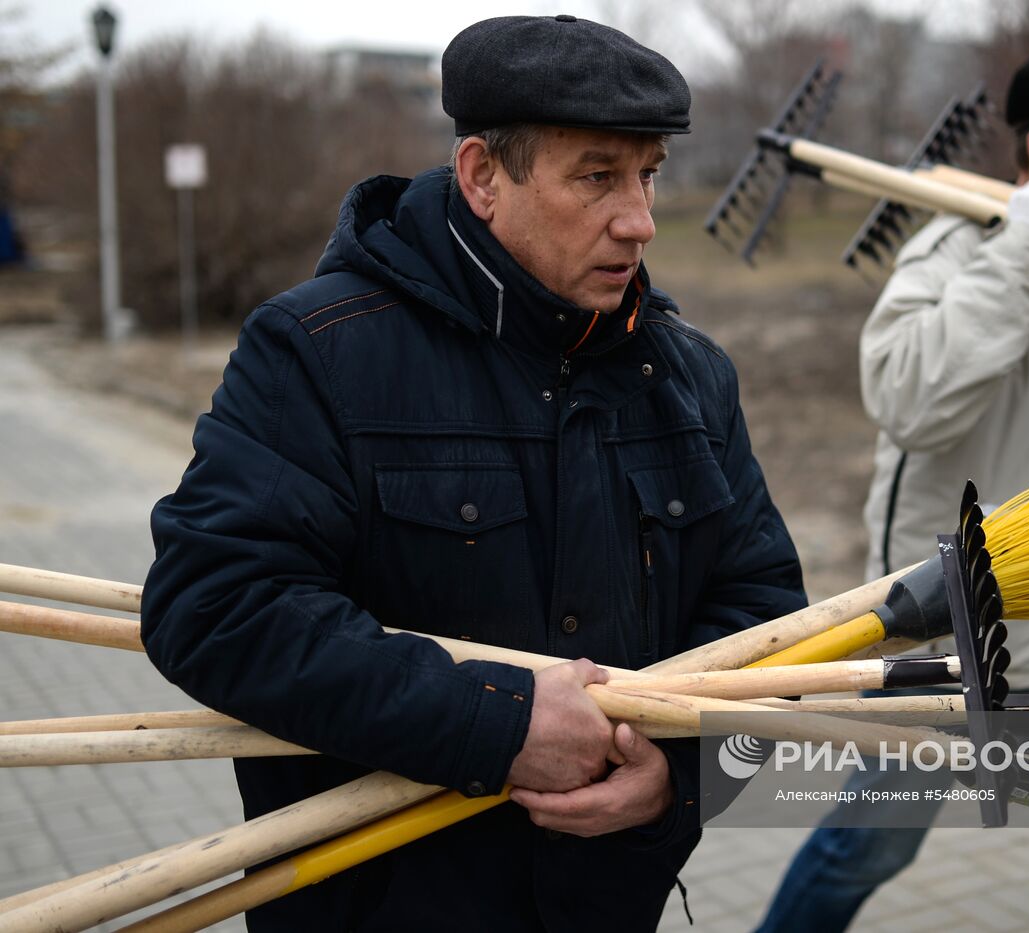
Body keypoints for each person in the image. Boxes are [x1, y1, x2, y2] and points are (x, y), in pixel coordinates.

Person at [140, 15, 805, 931]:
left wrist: (676, 782)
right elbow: (215, 607)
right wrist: (499, 724)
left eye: (648, 174)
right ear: (483, 176)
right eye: (597, 176)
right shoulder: (320, 353)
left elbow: (770, 620)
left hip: (604, 905)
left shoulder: (689, 375)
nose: (640, 220)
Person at [755, 48, 1029, 932]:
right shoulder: (953, 252)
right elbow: (909, 400)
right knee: (872, 843)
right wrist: (1021, 249)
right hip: (952, 622)